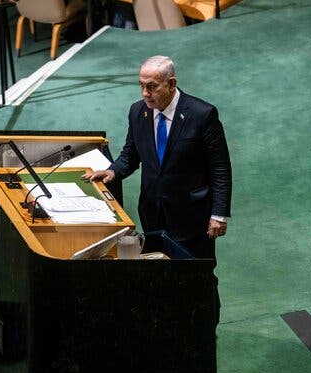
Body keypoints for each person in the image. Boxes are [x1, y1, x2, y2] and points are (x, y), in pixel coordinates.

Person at [83, 55, 231, 261]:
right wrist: (112, 170)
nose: (145, 94)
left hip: (191, 217)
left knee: (198, 276)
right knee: (158, 273)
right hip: (152, 213)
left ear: (171, 84)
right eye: (142, 86)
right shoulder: (138, 112)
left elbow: (220, 168)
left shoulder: (202, 114)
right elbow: (131, 154)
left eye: (152, 87)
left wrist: (219, 215)